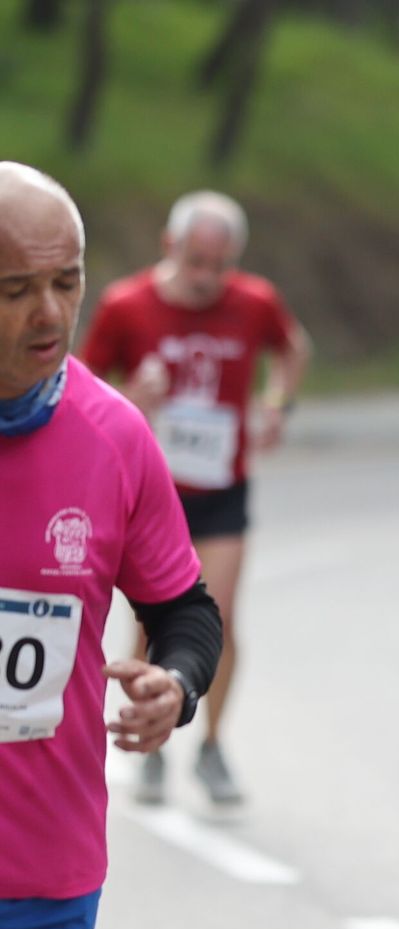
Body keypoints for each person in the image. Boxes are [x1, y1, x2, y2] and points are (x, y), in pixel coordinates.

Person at [0, 162, 222, 929]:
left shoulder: (114, 436)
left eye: (67, 281)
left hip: (47, 879)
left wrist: (176, 682)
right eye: (15, 290)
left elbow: (187, 610)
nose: (49, 314)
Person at [81, 190, 311, 807]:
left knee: (223, 617)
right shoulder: (126, 305)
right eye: (196, 260)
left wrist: (276, 405)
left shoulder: (256, 302)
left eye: (220, 262)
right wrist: (133, 395)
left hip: (222, 488)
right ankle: (151, 742)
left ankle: (212, 746)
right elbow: (82, 382)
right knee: (151, 624)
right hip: (150, 491)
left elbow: (292, 348)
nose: (208, 276)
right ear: (169, 247)